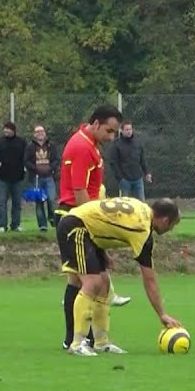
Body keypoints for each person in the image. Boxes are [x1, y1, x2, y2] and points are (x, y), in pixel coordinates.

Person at [59, 197, 183, 356]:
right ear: (165, 220)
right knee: (93, 283)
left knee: (104, 284)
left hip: (87, 228)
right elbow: (149, 279)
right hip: (75, 226)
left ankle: (101, 342)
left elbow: (104, 217)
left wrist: (102, 251)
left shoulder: (141, 207)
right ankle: (77, 343)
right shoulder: (142, 229)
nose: (171, 229)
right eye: (172, 225)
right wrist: (162, 314)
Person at [58, 105, 129, 350]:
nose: (111, 137)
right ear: (96, 124)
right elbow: (78, 191)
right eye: (109, 131)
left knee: (92, 280)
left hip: (82, 217)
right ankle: (74, 341)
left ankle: (97, 341)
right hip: (76, 218)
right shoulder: (80, 147)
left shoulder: (90, 145)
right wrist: (93, 226)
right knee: (88, 281)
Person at [0, 122, 27, 231]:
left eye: (8, 130)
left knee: (17, 203)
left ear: (13, 130)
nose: (6, 131)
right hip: (3, 177)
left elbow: (27, 156)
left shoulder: (21, 142)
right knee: (2, 203)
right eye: (5, 130)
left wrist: (24, 167)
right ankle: (2, 225)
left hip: (17, 177)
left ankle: (15, 225)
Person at [25, 124, 60, 232]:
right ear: (34, 134)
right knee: (39, 202)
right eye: (37, 131)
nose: (40, 133)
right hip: (36, 178)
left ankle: (52, 218)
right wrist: (35, 168)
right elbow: (26, 161)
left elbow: (57, 159)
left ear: (45, 133)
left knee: (51, 199)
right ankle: (42, 225)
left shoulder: (51, 145)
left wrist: (51, 167)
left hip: (49, 177)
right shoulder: (30, 147)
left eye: (42, 131)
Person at [111, 121, 152, 200]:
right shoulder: (117, 145)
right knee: (125, 204)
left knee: (141, 203)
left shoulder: (138, 143)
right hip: (125, 180)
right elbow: (113, 163)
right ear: (121, 131)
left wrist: (147, 173)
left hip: (138, 179)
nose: (129, 131)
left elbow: (142, 159)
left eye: (130, 129)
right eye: (126, 129)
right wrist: (120, 178)